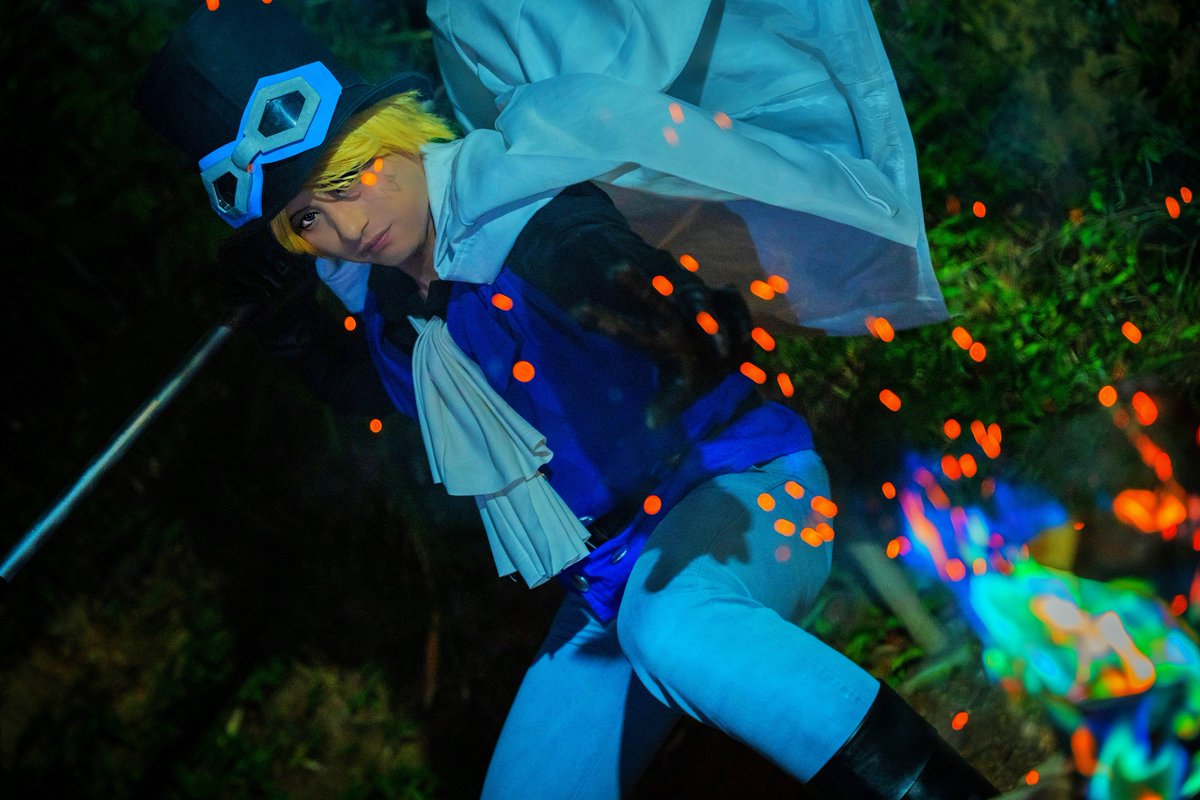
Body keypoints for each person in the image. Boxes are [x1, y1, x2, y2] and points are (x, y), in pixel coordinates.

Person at [135, 1, 999, 798]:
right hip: (609, 576)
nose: (350, 227)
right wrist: (289, 332)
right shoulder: (398, 316)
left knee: (677, 628)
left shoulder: (522, 214)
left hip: (741, 492)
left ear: (395, 135)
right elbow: (381, 403)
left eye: (349, 178)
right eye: (308, 218)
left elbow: (599, 259)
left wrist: (669, 316)